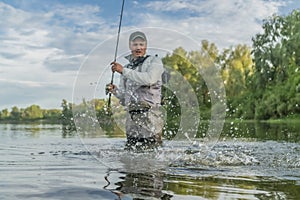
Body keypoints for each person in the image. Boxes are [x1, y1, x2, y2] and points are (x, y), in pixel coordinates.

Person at [106, 31, 164, 150]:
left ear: (146, 46)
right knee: (131, 160)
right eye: (135, 44)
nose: (138, 47)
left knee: (153, 158)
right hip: (131, 122)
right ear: (130, 46)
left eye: (141, 44)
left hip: (151, 119)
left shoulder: (155, 62)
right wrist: (115, 91)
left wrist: (123, 71)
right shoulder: (127, 68)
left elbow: (150, 79)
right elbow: (124, 98)